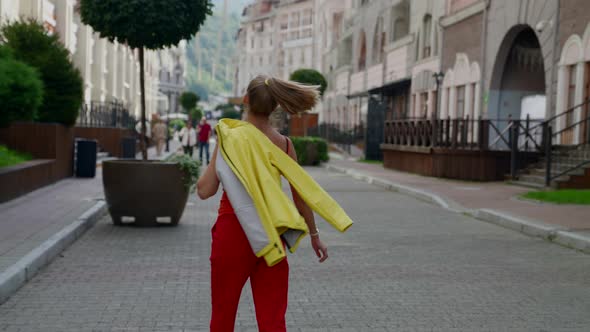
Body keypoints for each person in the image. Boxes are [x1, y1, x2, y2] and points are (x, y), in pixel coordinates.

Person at [196, 75, 353, 331]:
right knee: (272, 320)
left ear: (246, 100)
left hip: (232, 232)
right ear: (276, 106)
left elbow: (205, 191)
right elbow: (300, 196)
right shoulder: (285, 144)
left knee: (223, 316)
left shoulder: (230, 137)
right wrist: (314, 235)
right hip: (271, 235)